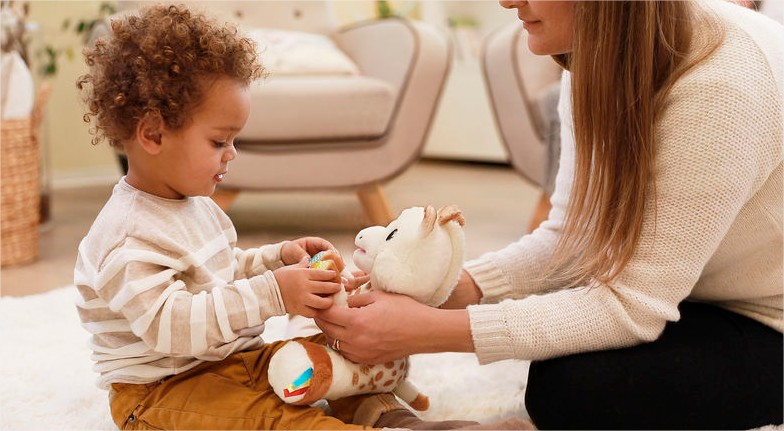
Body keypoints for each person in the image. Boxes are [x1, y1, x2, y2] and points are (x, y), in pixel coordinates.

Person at [315, 1, 784, 429]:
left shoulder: (721, 86)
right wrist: (449, 286)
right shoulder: (599, 51)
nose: (506, 1)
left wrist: (429, 331)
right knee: (567, 361)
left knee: (575, 389)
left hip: (768, 318)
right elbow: (573, 237)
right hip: (695, 294)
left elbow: (633, 305)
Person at [73, 4, 532, 430]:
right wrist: (275, 292)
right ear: (153, 134)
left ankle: (388, 416)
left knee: (332, 358)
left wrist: (278, 259)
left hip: (235, 361)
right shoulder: (126, 236)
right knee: (272, 419)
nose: (232, 153)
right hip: (162, 392)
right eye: (218, 142)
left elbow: (222, 271)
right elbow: (172, 326)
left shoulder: (194, 204)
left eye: (233, 141)